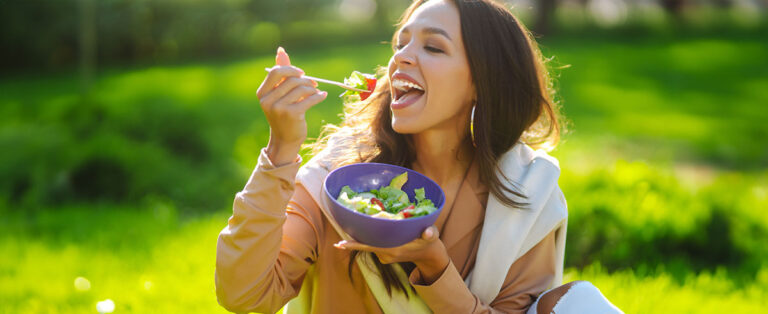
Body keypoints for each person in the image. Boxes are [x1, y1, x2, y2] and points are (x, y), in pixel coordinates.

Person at [216, 0, 622, 313]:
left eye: (432, 47)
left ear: (482, 82)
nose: (401, 58)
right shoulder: (338, 175)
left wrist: (436, 269)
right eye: (400, 43)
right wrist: (281, 149)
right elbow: (243, 292)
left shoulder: (523, 194)